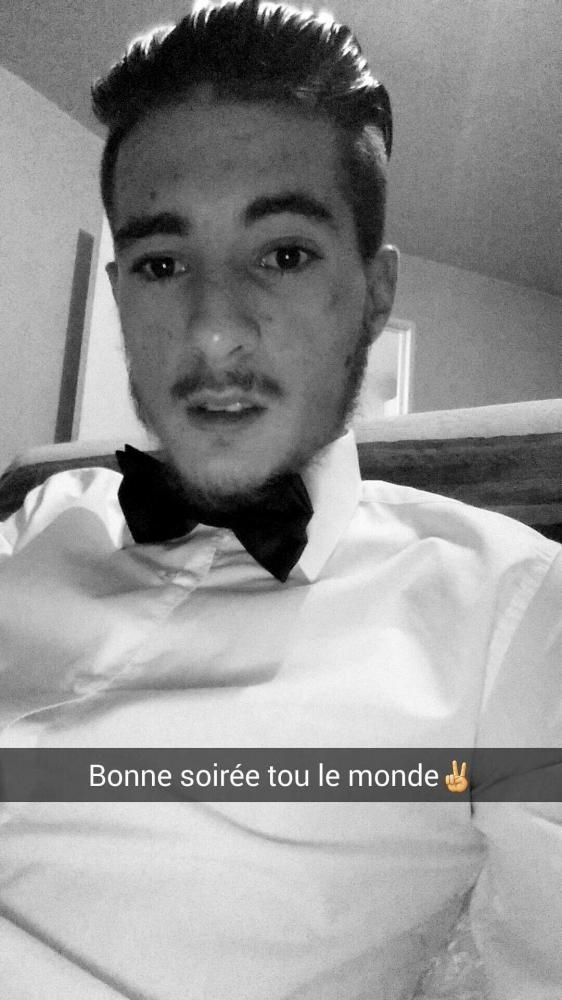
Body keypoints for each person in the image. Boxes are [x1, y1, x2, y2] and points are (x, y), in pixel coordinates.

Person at [0, 2, 560, 997]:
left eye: (284, 253)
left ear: (374, 294)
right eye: (162, 264)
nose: (214, 329)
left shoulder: (514, 614)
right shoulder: (40, 517)